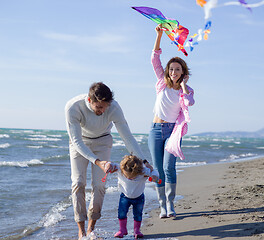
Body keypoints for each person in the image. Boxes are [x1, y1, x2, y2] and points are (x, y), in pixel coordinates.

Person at [65, 82, 150, 240]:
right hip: (80, 143)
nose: (102, 111)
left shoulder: (114, 108)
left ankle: (91, 229)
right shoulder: (73, 107)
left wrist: (144, 161)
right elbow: (76, 141)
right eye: (99, 107)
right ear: (90, 101)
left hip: (103, 141)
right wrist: (98, 162)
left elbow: (127, 137)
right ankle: (81, 231)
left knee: (99, 185)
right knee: (78, 182)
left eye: (105, 107)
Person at [148, 24, 195, 219]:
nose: (174, 72)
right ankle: (162, 206)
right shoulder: (161, 83)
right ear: (167, 72)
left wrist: (183, 86)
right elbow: (154, 58)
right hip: (155, 130)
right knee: (158, 169)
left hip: (173, 132)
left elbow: (189, 102)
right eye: (171, 69)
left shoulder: (187, 90)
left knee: (169, 167)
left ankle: (171, 203)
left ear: (183, 72)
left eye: (178, 69)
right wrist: (159, 35)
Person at [107, 154, 159, 239]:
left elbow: (155, 172)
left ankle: (137, 231)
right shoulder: (121, 168)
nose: (129, 178)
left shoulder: (143, 171)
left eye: (132, 177)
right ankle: (122, 229)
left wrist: (155, 176)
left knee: (138, 214)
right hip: (125, 196)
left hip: (139, 197)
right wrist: (108, 166)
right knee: (121, 213)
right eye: (126, 176)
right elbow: (111, 164)